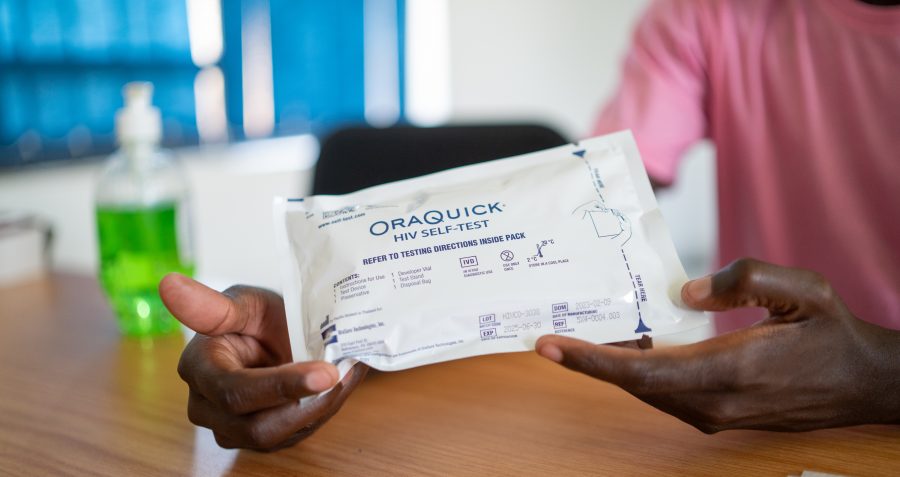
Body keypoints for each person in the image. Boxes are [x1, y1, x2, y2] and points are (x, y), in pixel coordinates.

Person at [161, 0, 900, 449]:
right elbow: (596, 201)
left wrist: (878, 375)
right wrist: (329, 319)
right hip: (747, 434)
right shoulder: (710, 15)